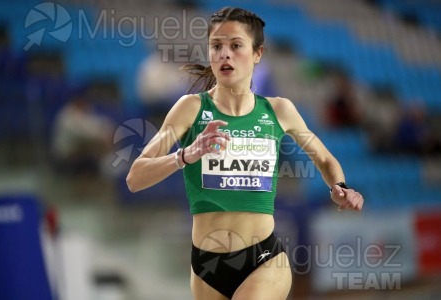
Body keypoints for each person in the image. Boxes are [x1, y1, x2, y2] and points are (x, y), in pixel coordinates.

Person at [126, 7, 364, 300]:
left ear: (257, 54)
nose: (224, 54)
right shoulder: (190, 108)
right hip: (206, 265)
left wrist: (339, 187)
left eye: (236, 45)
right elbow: (135, 178)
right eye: (216, 46)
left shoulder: (278, 110)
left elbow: (325, 158)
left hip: (262, 258)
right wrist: (185, 155)